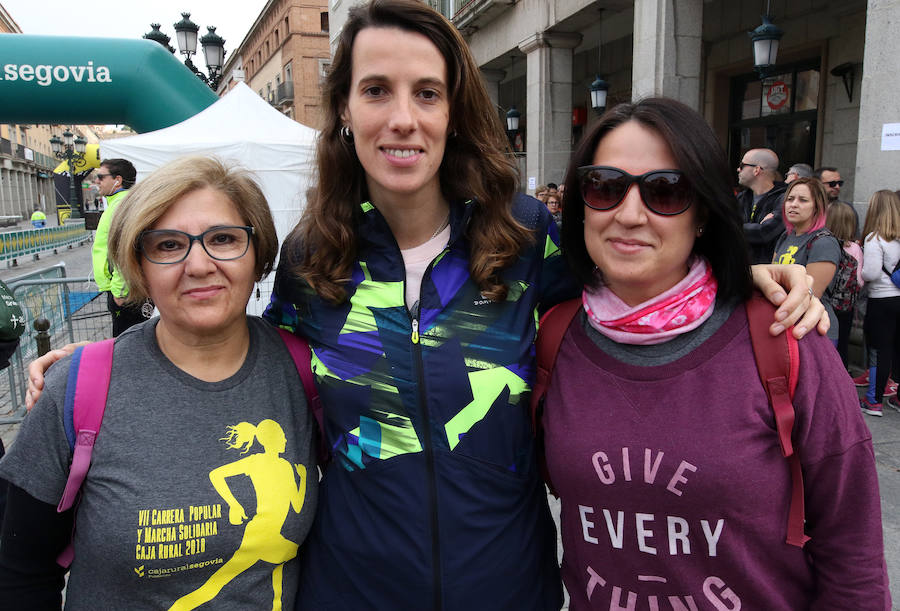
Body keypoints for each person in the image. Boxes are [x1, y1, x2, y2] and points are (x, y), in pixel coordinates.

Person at [23, 2, 827, 608]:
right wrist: (116, 368)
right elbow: (243, 363)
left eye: (426, 93)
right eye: (376, 90)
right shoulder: (314, 256)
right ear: (344, 110)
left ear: (452, 111)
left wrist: (741, 284)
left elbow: (637, 292)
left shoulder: (526, 235)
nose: (401, 117)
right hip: (351, 587)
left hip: (508, 585)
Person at [547, 97, 888, 609]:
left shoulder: (784, 334)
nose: (630, 214)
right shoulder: (554, 336)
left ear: (703, 209)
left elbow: (852, 550)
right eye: (605, 187)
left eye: (665, 191)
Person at [0, 156, 317, 609]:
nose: (199, 265)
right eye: (168, 245)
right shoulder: (76, 388)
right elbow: (22, 576)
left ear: (259, 253)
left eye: (224, 239)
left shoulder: (306, 372)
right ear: (138, 267)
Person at [773, 177, 842, 346]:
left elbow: (809, 294)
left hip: (815, 329)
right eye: (790, 199)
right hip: (785, 322)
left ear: (817, 207)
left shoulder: (824, 242)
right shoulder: (785, 236)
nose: (793, 204)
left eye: (802, 200)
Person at [91, 158, 153, 337]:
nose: (97, 181)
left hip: (125, 292)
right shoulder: (120, 204)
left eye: (101, 177)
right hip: (124, 289)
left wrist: (120, 290)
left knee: (127, 344)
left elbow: (124, 249)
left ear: (117, 180)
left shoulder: (122, 206)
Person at [859, 190, 900, 416]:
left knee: (880, 350)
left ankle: (873, 401)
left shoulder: (875, 238)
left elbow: (872, 273)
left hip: (881, 300)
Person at [826, 200, 863, 367]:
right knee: (842, 345)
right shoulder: (855, 248)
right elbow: (860, 281)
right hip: (845, 306)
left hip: (824, 302)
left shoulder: (823, 244)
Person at [736, 148, 787, 264]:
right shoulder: (741, 198)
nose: (738, 169)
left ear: (757, 170)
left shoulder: (784, 199)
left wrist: (732, 227)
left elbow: (765, 232)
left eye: (742, 165)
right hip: (740, 270)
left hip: (767, 273)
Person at [816, 166, 860, 237]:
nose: (837, 187)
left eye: (840, 183)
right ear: (818, 184)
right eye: (832, 184)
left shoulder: (847, 209)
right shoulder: (808, 208)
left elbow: (854, 238)